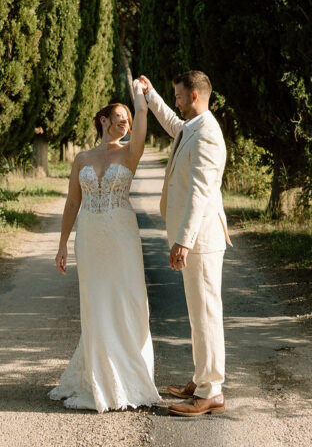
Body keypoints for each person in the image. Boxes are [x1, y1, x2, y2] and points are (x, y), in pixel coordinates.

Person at [49, 82, 162, 413]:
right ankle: (98, 375)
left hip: (122, 238)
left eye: (126, 119)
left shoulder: (130, 152)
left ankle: (129, 377)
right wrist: (62, 245)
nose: (123, 123)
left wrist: (138, 98)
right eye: (117, 117)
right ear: (102, 121)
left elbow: (141, 115)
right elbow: (72, 202)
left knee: (126, 302)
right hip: (90, 237)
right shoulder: (83, 158)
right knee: (96, 304)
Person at [138, 70, 231, 417]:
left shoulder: (207, 134)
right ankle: (202, 377)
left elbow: (201, 194)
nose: (175, 101)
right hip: (195, 238)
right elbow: (173, 123)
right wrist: (151, 97)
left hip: (201, 239)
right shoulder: (192, 127)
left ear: (194, 96)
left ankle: (210, 392)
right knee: (199, 315)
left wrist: (183, 241)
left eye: (178, 95)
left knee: (206, 315)